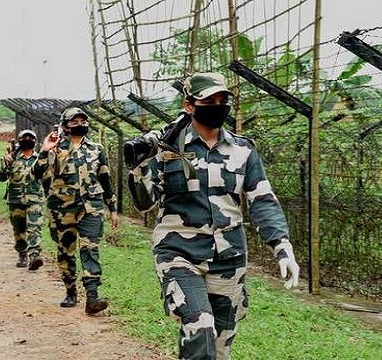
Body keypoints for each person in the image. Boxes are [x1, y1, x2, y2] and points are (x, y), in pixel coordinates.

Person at [126, 72, 300, 359]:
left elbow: (262, 200)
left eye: (222, 100)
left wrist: (281, 245)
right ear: (189, 105)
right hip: (178, 252)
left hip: (228, 258)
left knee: (218, 349)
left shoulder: (243, 150)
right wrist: (138, 168)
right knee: (199, 326)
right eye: (209, 100)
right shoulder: (167, 148)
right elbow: (144, 204)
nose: (218, 105)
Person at [39, 107, 120, 315]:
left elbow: (105, 179)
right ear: (65, 126)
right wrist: (45, 150)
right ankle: (70, 291)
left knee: (90, 248)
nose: (80, 125)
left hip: (91, 208)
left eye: (83, 121)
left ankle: (92, 297)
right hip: (62, 209)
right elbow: (35, 174)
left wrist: (113, 208)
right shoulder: (56, 148)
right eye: (74, 122)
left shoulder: (96, 149)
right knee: (65, 252)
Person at [0, 129, 46, 271]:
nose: (28, 140)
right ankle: (22, 254)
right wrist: (6, 163)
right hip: (15, 199)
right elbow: (1, 178)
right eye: (24, 138)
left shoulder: (39, 159)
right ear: (19, 140)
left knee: (34, 227)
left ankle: (34, 257)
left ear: (35, 142)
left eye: (31, 138)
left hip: (35, 199)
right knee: (19, 230)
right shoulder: (11, 158)